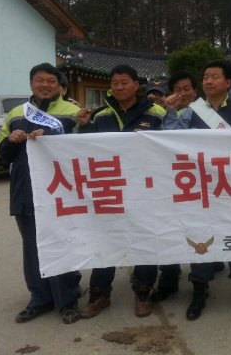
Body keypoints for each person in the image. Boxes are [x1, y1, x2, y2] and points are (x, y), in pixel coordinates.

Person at [162, 60, 231, 321]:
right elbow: (170, 138)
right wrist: (170, 110)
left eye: (214, 77)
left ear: (228, 83)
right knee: (201, 235)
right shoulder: (191, 112)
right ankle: (199, 291)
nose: (208, 81)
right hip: (200, 186)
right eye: (205, 76)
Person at [0, 62, 83, 324]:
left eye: (50, 81)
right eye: (39, 80)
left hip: (61, 190)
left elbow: (85, 147)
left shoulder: (73, 112)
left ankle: (67, 299)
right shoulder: (16, 113)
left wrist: (55, 134)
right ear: (31, 84)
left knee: (63, 242)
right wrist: (11, 140)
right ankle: (40, 298)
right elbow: (0, 151)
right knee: (32, 245)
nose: (45, 85)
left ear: (59, 85)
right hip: (26, 189)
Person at [76, 65, 166, 319]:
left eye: (124, 82)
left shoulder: (157, 112)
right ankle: (99, 294)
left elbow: (171, 145)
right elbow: (85, 149)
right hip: (110, 187)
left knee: (145, 238)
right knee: (107, 239)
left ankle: (143, 292)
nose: (119, 87)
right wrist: (84, 127)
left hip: (145, 187)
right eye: (114, 83)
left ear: (136, 85)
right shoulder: (100, 115)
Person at [148, 71, 199, 304]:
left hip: (200, 181)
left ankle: (200, 283)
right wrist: (169, 110)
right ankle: (168, 279)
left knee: (199, 230)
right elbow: (169, 139)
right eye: (178, 89)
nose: (182, 93)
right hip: (172, 181)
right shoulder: (163, 113)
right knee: (169, 229)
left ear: (195, 91)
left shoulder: (203, 112)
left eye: (187, 89)